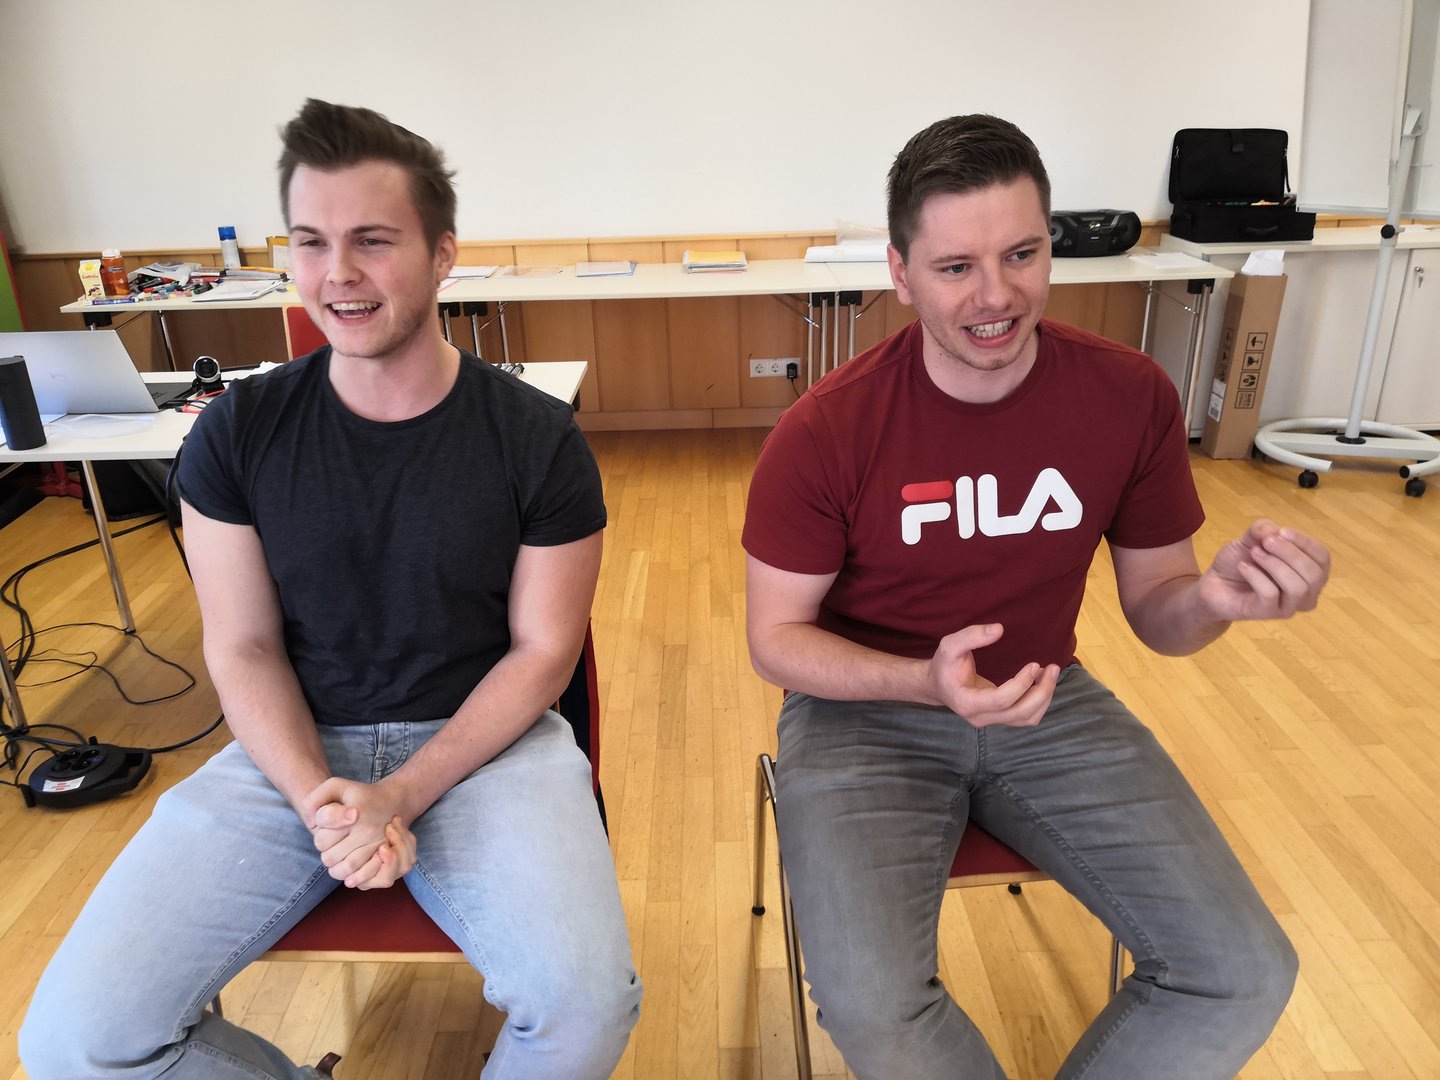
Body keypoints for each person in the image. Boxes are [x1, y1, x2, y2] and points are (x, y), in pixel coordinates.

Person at [21, 99, 640, 1080]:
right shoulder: (236, 433)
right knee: (71, 1042)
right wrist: (324, 802)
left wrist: (399, 794)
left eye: (372, 240)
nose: (337, 272)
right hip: (292, 754)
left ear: (442, 255)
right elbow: (243, 647)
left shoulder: (536, 439)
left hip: (485, 748)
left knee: (587, 1008)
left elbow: (543, 654)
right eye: (311, 242)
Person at [742, 114, 1329, 1079]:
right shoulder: (824, 430)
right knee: (875, 1007)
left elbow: (1161, 607)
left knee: (1241, 972)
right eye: (955, 267)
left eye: (1022, 254)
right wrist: (923, 682)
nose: (996, 295)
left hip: (1048, 701)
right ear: (900, 274)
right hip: (866, 717)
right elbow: (776, 639)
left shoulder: (1129, 395)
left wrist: (1214, 601)